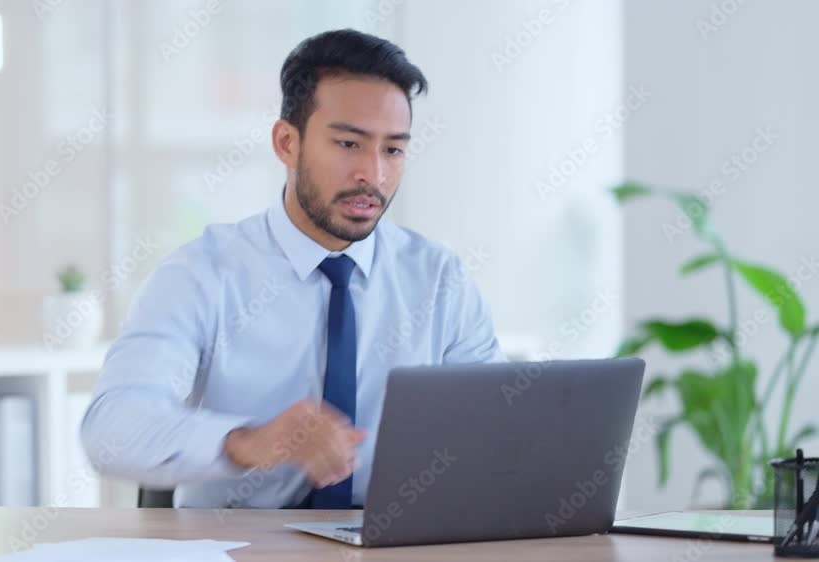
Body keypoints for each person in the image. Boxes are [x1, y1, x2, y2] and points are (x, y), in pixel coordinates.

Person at [80, 29, 505, 509]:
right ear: (287, 142)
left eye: (393, 150)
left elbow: (496, 429)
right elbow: (110, 429)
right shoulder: (202, 273)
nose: (374, 174)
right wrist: (249, 441)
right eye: (349, 144)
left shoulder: (439, 279)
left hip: (392, 542)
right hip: (238, 545)